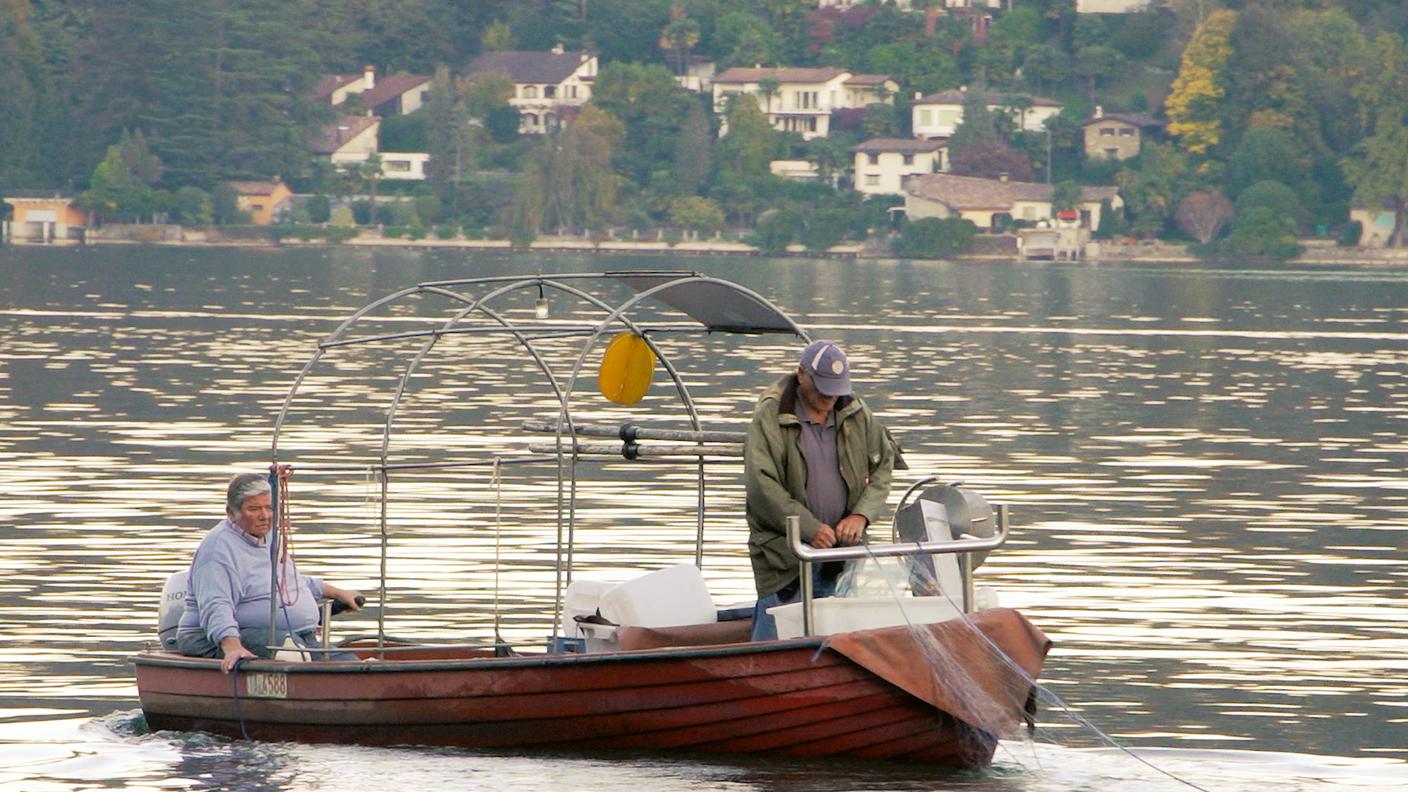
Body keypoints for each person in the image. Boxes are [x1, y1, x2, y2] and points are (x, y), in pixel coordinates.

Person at [745, 340, 895, 641]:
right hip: (785, 559)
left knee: (836, 638)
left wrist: (861, 516)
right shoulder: (771, 414)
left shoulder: (855, 409)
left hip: (841, 556)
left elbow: (884, 465)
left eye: (836, 389)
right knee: (775, 636)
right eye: (823, 388)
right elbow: (761, 486)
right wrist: (809, 528)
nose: (830, 397)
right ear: (802, 374)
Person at [176, 472, 363, 672]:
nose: (264, 515)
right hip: (219, 637)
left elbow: (290, 581)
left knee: (349, 663)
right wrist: (232, 646)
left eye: (268, 507)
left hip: (295, 636)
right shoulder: (218, 549)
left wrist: (338, 594)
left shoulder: (269, 537)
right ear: (231, 513)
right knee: (290, 652)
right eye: (254, 509)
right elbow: (216, 604)